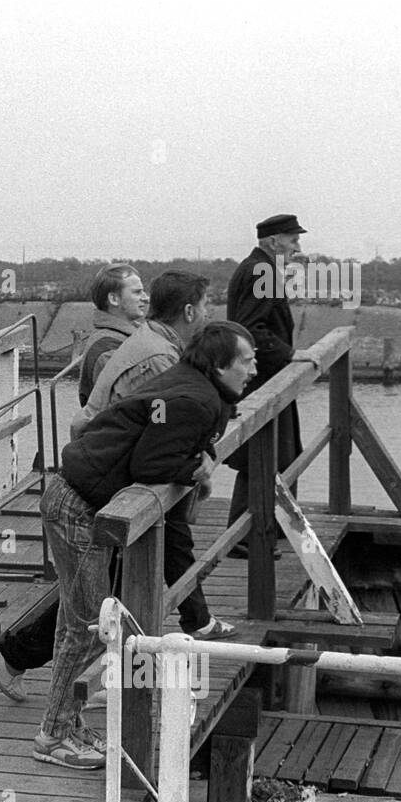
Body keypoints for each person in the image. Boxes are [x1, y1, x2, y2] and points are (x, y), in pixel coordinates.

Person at [0, 271, 233, 704]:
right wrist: (197, 462)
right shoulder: (149, 355)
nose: (143, 297)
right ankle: (71, 691)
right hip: (103, 489)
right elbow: (154, 436)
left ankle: (36, 664)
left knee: (99, 596)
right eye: (135, 290)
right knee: (96, 605)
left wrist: (197, 454)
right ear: (190, 311)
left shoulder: (151, 344)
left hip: (109, 485)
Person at [31, 321, 257, 770]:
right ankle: (53, 735)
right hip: (77, 508)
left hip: (74, 497)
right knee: (91, 629)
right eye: (246, 361)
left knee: (79, 626)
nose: (253, 369)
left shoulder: (189, 384)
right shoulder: (194, 399)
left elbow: (160, 444)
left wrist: (199, 457)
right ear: (218, 365)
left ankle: (65, 726)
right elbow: (151, 461)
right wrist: (197, 468)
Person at [225, 214, 319, 558]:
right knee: (264, 457)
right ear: (272, 242)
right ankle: (246, 535)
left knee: (271, 455)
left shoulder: (259, 268)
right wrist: (290, 354)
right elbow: (251, 328)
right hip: (262, 378)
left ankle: (259, 528)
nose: (297, 247)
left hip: (263, 375)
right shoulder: (259, 271)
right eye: (292, 240)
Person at [76, 264, 147, 405]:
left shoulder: (127, 338)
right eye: (137, 292)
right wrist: (162, 420)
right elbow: (136, 408)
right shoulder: (108, 350)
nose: (146, 298)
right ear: (114, 299)